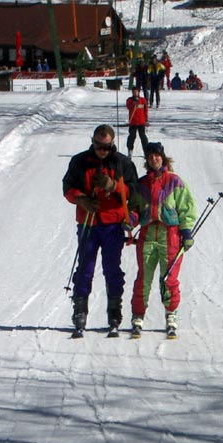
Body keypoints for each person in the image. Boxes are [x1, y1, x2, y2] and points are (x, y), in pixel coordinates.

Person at [62, 124, 139, 336]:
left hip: (112, 224)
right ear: (93, 141)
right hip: (88, 222)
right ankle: (80, 310)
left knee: (112, 268)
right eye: (98, 145)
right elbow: (67, 187)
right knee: (85, 267)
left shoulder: (122, 163)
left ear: (112, 144)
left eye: (106, 147)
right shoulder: (79, 161)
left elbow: (134, 192)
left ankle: (114, 311)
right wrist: (82, 199)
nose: (102, 150)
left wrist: (114, 186)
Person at [128, 142, 197, 339]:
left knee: (169, 279)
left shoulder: (175, 182)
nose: (154, 159)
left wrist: (186, 231)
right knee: (144, 278)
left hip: (170, 236)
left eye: (157, 155)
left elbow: (186, 208)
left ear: (163, 158)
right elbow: (134, 208)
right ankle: (138, 316)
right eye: (150, 157)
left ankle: (171, 314)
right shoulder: (141, 185)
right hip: (148, 235)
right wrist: (130, 221)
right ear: (147, 161)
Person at [126, 87, 149, 159]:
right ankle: (130, 151)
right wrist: (134, 103)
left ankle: (146, 152)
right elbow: (128, 106)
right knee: (132, 137)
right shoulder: (129, 100)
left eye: (136, 92)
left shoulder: (143, 100)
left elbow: (146, 110)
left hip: (141, 122)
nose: (135, 93)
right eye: (134, 92)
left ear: (139, 92)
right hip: (133, 122)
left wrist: (146, 119)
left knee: (143, 137)